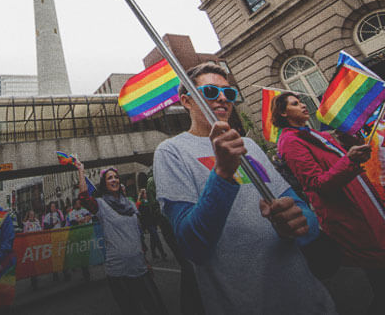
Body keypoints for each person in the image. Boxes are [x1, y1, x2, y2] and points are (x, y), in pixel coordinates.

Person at [153, 62, 336, 314]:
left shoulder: (248, 144)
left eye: (229, 93)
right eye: (209, 92)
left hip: (308, 299)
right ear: (186, 101)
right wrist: (223, 174)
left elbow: (302, 213)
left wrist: (297, 221)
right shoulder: (171, 152)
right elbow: (192, 245)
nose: (222, 99)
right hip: (243, 302)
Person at [273, 91, 385, 314]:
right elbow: (316, 183)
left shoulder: (313, 133)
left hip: (365, 205)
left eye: (302, 101)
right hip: (350, 215)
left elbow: (340, 163)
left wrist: (351, 147)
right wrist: (350, 160)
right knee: (377, 274)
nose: (303, 105)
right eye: (295, 104)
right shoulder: (291, 141)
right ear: (283, 113)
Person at [75, 161, 168, 315]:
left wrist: (145, 260)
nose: (114, 180)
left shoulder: (130, 204)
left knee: (157, 307)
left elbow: (137, 235)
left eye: (116, 177)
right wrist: (80, 170)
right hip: (119, 273)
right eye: (110, 178)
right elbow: (84, 198)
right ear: (104, 184)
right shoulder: (101, 205)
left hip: (140, 267)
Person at [146, 171, 204, 315]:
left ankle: (191, 304)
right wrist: (169, 219)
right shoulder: (152, 181)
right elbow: (155, 206)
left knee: (189, 264)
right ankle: (191, 305)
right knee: (187, 263)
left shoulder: (174, 174)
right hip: (170, 224)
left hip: (181, 221)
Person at [41, 201, 69, 281]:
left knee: (63, 255)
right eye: (52, 206)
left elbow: (63, 223)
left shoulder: (59, 214)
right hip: (52, 237)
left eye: (54, 206)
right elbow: (46, 227)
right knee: (55, 256)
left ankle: (65, 272)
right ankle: (55, 274)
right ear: (49, 208)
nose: (53, 208)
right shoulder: (47, 216)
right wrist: (53, 224)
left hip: (60, 236)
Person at [136, 188, 166, 260]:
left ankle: (153, 254)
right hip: (148, 223)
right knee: (156, 237)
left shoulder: (149, 201)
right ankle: (162, 253)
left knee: (153, 238)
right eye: (144, 193)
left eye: (146, 193)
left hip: (153, 221)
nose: (146, 194)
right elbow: (136, 207)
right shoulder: (141, 202)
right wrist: (139, 196)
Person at [67, 198, 92, 282]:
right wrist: (82, 220)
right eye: (77, 203)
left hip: (85, 234)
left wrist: (82, 220)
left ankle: (87, 273)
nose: (79, 205)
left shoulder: (84, 210)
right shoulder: (71, 213)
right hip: (77, 236)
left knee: (86, 253)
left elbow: (89, 217)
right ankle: (84, 273)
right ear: (74, 205)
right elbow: (74, 222)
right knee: (81, 255)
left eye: (79, 203)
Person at [22, 210, 42, 290]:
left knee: (37, 262)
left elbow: (40, 231)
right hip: (30, 245)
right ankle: (33, 281)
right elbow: (25, 233)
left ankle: (36, 279)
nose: (31, 216)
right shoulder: (26, 223)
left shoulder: (37, 222)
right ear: (28, 215)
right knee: (32, 263)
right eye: (30, 215)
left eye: (33, 214)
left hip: (37, 244)